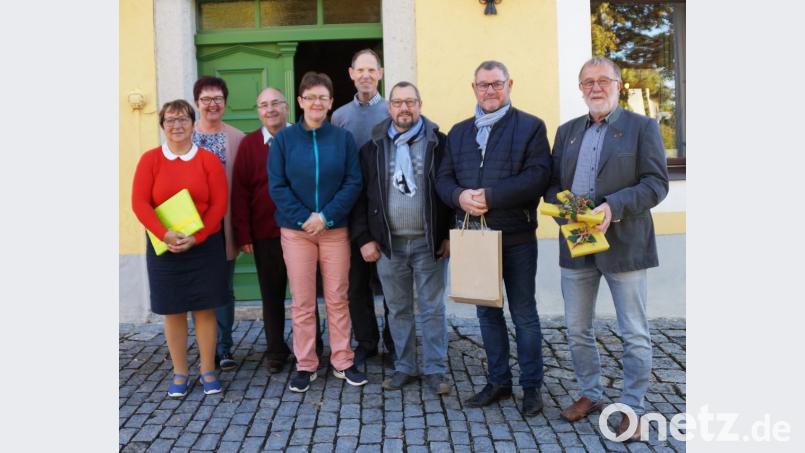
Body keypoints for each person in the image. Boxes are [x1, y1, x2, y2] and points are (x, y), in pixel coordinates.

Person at [546, 56, 669, 441]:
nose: (595, 87)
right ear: (580, 88)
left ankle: (632, 406)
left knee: (633, 330)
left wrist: (612, 207)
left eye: (603, 80)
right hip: (577, 242)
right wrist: (567, 213)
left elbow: (656, 184)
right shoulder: (567, 132)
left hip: (625, 242)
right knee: (577, 328)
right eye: (588, 82)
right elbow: (552, 184)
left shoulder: (642, 128)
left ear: (618, 85)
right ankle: (591, 392)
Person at [435, 60, 552, 416]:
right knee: (487, 314)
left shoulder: (531, 126)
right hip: (474, 238)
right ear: (474, 88)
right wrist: (459, 196)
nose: (490, 90)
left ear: (509, 85)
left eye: (496, 84)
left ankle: (531, 387)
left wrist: (490, 196)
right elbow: (443, 179)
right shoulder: (458, 133)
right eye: (483, 85)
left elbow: (537, 177)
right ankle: (499, 381)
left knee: (524, 315)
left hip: (517, 237)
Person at [350, 82, 452, 394]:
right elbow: (360, 198)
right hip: (389, 244)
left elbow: (450, 190)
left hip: (429, 243)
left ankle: (435, 370)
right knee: (398, 308)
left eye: (410, 102)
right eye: (397, 102)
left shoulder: (440, 143)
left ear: (420, 104)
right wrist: (365, 238)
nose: (404, 108)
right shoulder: (372, 148)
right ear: (389, 107)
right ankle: (404, 366)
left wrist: (448, 235)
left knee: (433, 308)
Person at [269, 72, 368, 392]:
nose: (316, 103)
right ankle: (306, 363)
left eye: (322, 97)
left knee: (338, 297)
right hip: (296, 232)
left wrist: (325, 216)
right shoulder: (284, 140)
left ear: (331, 102)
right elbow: (277, 186)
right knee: (302, 301)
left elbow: (353, 182)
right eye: (310, 97)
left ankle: (343, 360)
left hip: (334, 229)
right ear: (300, 101)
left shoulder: (343, 139)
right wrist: (305, 218)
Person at [131, 99, 228, 397]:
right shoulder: (150, 160)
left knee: (205, 308)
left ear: (193, 123)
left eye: (183, 119)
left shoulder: (208, 160)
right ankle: (180, 372)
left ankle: (208, 369)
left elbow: (219, 204)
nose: (177, 125)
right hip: (165, 247)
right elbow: (139, 203)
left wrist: (197, 237)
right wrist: (164, 234)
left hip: (204, 245)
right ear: (162, 125)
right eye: (170, 120)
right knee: (172, 310)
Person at [231, 87, 327, 374]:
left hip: (303, 230)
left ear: (287, 106)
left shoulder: (303, 136)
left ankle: (312, 346)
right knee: (271, 295)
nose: (270, 109)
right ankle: (275, 350)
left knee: (305, 294)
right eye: (264, 105)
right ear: (258, 111)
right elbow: (240, 192)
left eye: (275, 103)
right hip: (266, 234)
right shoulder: (249, 145)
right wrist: (244, 234)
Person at [332, 48, 394, 366]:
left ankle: (394, 342)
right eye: (361, 70)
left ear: (380, 74)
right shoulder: (340, 116)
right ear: (351, 74)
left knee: (392, 283)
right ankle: (366, 341)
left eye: (372, 70)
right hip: (352, 210)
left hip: (388, 209)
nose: (366, 75)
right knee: (356, 283)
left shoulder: (392, 110)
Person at [191, 76, 246, 372]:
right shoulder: (184, 136)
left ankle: (224, 347)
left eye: (217, 99)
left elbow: (244, 187)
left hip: (223, 227)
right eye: (206, 99)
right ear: (196, 103)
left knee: (223, 287)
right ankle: (204, 347)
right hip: (191, 226)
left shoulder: (237, 138)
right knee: (197, 289)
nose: (212, 104)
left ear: (225, 103)